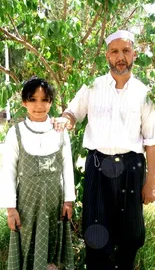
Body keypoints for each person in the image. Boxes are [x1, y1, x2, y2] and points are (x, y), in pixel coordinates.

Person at [53, 30, 155, 270]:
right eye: (115, 51)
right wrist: (66, 119)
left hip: (131, 168)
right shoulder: (93, 87)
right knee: (96, 235)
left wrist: (151, 182)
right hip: (98, 167)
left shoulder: (144, 94)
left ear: (134, 55)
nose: (121, 57)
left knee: (132, 234)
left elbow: (151, 140)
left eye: (126, 51)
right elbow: (72, 113)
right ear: (107, 56)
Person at [0, 76, 75, 270]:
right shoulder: (15, 132)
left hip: (54, 204)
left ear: (51, 102)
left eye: (44, 100)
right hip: (27, 206)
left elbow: (67, 166)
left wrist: (68, 201)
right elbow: (8, 171)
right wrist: (10, 209)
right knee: (28, 251)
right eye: (33, 100)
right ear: (24, 102)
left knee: (53, 252)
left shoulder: (60, 130)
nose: (39, 105)